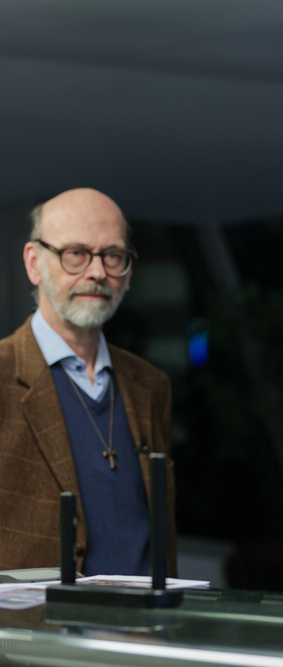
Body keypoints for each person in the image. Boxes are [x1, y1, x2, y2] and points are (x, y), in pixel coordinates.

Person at [0, 188, 175, 576]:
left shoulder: (151, 385)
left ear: (128, 273)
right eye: (76, 253)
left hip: (144, 615)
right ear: (34, 263)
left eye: (113, 255)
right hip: (37, 617)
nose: (97, 272)